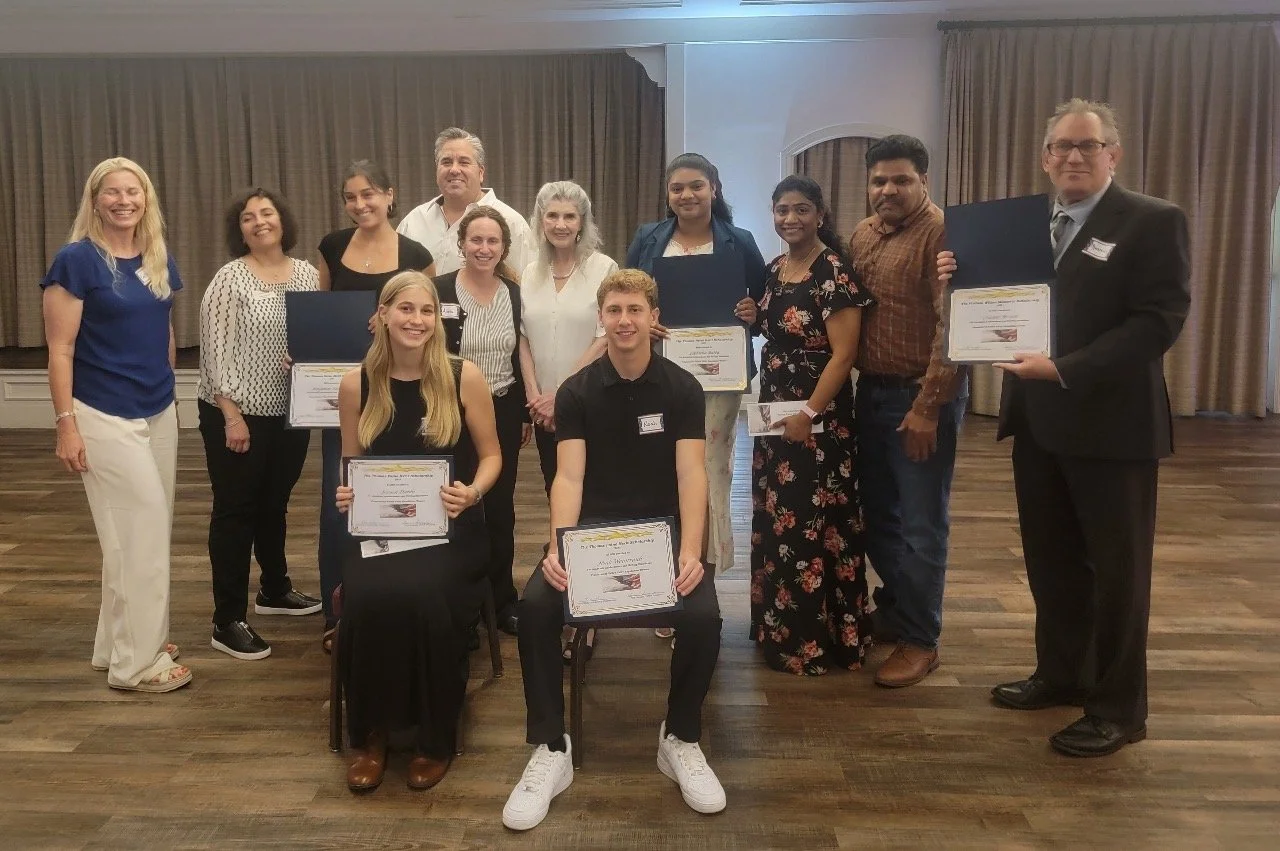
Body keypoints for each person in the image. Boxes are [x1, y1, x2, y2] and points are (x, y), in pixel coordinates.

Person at [938, 98, 1190, 757]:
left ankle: (1117, 708)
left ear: (1114, 154)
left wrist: (1066, 367)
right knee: (1052, 563)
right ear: (1046, 157)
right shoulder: (1025, 222)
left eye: (1089, 145)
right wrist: (958, 277)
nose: (1074, 157)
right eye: (1063, 147)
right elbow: (1003, 303)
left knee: (1118, 573)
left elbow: (1157, 322)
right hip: (1039, 423)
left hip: (1113, 428)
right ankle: (1060, 672)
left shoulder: (1151, 221)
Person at [502, 270, 725, 831]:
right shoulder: (577, 391)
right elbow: (569, 479)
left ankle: (679, 738)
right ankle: (552, 748)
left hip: (662, 532)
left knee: (703, 614)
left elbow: (693, 474)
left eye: (634, 310)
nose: (624, 321)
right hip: (593, 534)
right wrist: (558, 549)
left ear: (653, 317)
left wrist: (691, 549)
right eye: (614, 311)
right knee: (535, 606)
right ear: (601, 318)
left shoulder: (682, 388)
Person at [333, 271, 502, 792]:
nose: (417, 320)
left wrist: (472, 491)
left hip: (451, 524)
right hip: (381, 530)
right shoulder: (355, 383)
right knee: (366, 595)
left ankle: (434, 736)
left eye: (426, 311)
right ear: (382, 315)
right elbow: (351, 464)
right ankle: (372, 732)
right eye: (405, 309)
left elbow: (493, 456)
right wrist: (347, 494)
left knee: (426, 594)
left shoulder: (463, 376)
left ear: (438, 319)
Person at [41, 156, 190, 693]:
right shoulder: (76, 260)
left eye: (134, 192)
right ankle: (137, 666)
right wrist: (66, 425)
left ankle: (118, 644)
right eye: (113, 192)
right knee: (140, 531)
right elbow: (60, 349)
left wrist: (168, 390)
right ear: (95, 199)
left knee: (136, 534)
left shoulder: (156, 258)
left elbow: (165, 332)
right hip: (102, 412)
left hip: (157, 409)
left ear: (146, 199)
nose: (124, 200)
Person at [847, 134, 967, 688]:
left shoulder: (942, 235)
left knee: (921, 525)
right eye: (879, 180)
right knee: (876, 517)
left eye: (901, 180)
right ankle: (896, 610)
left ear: (924, 181)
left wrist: (928, 406)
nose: (888, 189)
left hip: (920, 397)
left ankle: (921, 639)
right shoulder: (864, 233)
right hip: (869, 392)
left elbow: (953, 328)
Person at [626, 152, 766, 602]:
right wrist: (642, 322)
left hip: (718, 381)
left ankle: (699, 572)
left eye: (696, 186)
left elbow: (764, 301)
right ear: (668, 195)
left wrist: (753, 312)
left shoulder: (739, 241)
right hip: (657, 373)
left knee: (709, 470)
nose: (687, 195)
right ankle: (659, 571)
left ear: (714, 189)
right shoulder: (648, 238)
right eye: (677, 188)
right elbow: (628, 291)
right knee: (656, 467)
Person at [750, 175, 875, 675]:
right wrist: (750, 312)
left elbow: (844, 356)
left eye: (801, 210)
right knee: (781, 519)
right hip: (775, 414)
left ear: (820, 214)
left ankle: (817, 640)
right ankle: (780, 630)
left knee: (813, 523)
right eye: (782, 210)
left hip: (817, 420)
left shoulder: (834, 274)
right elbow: (773, 325)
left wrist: (807, 414)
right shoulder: (776, 269)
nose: (790, 219)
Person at [315, 160, 435, 653]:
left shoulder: (416, 253)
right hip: (343, 394)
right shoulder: (331, 247)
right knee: (339, 501)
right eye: (351, 197)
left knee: (399, 498)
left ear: (390, 195)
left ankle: (396, 602)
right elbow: (319, 317)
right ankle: (338, 609)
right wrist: (302, 350)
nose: (361, 205)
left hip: (401, 390)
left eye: (369, 194)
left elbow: (426, 317)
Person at [197, 188, 322, 660]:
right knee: (235, 512)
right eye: (248, 217)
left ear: (282, 220)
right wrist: (231, 415)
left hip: (290, 412)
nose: (258, 222)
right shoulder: (230, 279)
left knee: (274, 505)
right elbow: (214, 352)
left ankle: (274, 589)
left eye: (266, 212)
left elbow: (316, 335)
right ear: (240, 230)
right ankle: (226, 619)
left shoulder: (309, 275)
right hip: (236, 414)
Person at [433, 206, 533, 635]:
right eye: (476, 240)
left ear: (504, 248)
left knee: (499, 506)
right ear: (462, 244)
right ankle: (463, 602)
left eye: (493, 241)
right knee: (457, 503)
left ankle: (502, 598)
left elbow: (519, 351)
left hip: (504, 408)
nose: (484, 248)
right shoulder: (438, 290)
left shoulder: (513, 292)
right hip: (451, 411)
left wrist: (527, 406)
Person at [520, 180, 619, 493]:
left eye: (569, 217)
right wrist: (535, 397)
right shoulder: (528, 272)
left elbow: (605, 339)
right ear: (540, 221)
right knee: (555, 484)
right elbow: (523, 338)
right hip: (543, 409)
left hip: (592, 401)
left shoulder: (604, 268)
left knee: (592, 488)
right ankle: (558, 542)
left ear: (582, 223)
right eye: (551, 216)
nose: (559, 224)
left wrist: (560, 396)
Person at [397, 127, 532, 277]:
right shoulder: (414, 221)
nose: (454, 170)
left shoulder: (512, 223)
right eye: (446, 162)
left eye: (464, 162)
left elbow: (527, 286)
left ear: (481, 173)